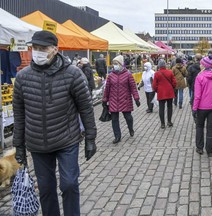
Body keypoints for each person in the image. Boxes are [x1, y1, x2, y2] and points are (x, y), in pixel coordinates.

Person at [13, 30, 97, 216]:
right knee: (46, 188)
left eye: (43, 48)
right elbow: (19, 114)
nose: (38, 52)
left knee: (69, 184)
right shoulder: (22, 77)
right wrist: (19, 145)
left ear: (55, 49)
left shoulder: (73, 74)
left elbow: (86, 107)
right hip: (37, 142)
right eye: (35, 47)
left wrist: (91, 137)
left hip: (66, 138)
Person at [102, 55, 140, 144]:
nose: (114, 65)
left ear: (120, 64)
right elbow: (107, 89)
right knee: (114, 119)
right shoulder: (110, 76)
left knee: (128, 117)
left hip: (125, 99)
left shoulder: (128, 75)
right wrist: (104, 100)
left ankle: (130, 128)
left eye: (116, 63)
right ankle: (117, 136)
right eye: (113, 64)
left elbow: (133, 88)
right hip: (113, 100)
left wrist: (136, 98)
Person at [192, 56, 212, 157]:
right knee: (210, 128)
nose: (199, 65)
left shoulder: (199, 77)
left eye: (201, 64)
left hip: (201, 107)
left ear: (204, 65)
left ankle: (200, 147)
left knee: (199, 126)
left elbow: (197, 96)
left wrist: (194, 108)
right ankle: (209, 149)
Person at [152, 59, 176, 129]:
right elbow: (174, 82)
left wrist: (157, 90)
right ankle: (169, 121)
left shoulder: (156, 73)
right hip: (169, 92)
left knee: (161, 108)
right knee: (169, 107)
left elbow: (154, 85)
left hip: (161, 92)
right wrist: (172, 87)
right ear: (165, 65)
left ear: (159, 66)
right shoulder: (170, 72)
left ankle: (162, 123)